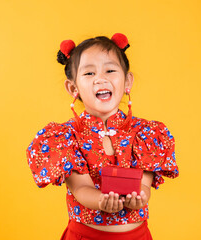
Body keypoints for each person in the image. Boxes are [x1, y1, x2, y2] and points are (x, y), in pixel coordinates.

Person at [26, 33, 179, 240]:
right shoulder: (67, 137)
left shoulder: (146, 134)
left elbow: (144, 183)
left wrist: (141, 197)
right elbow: (81, 187)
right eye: (89, 73)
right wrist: (101, 200)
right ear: (73, 88)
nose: (100, 78)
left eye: (110, 70)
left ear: (127, 81)